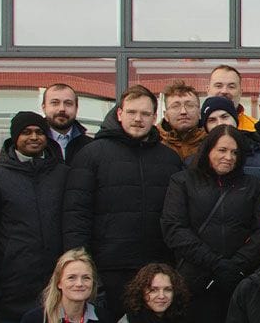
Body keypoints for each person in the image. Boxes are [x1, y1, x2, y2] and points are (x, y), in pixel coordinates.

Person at [160, 125, 260, 323]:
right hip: (196, 283)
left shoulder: (252, 185)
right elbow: (174, 229)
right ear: (208, 149)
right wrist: (216, 263)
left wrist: (237, 265)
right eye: (222, 150)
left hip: (238, 283)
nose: (228, 157)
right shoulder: (183, 182)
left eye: (234, 152)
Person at [65, 85, 185, 307]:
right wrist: (82, 265)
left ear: (154, 117)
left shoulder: (170, 159)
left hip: (157, 271)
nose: (138, 119)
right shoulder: (92, 154)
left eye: (145, 114)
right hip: (107, 270)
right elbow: (76, 215)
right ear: (119, 113)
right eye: (132, 112)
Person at [0, 111, 70, 323]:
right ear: (14, 138)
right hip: (10, 294)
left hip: (55, 291)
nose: (34, 137)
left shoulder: (64, 175)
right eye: (26, 132)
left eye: (39, 132)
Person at [157, 81, 206, 163]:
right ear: (166, 115)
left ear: (199, 112)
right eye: (175, 106)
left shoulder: (211, 142)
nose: (183, 111)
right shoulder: (153, 142)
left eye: (190, 105)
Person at [41, 83, 90, 160]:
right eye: (55, 103)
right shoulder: (32, 143)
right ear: (44, 107)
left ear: (76, 108)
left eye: (68, 103)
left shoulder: (90, 146)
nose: (62, 109)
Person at [207, 65, 257, 130]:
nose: (224, 91)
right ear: (208, 90)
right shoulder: (197, 129)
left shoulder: (255, 129)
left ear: (240, 92)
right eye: (218, 86)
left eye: (231, 87)